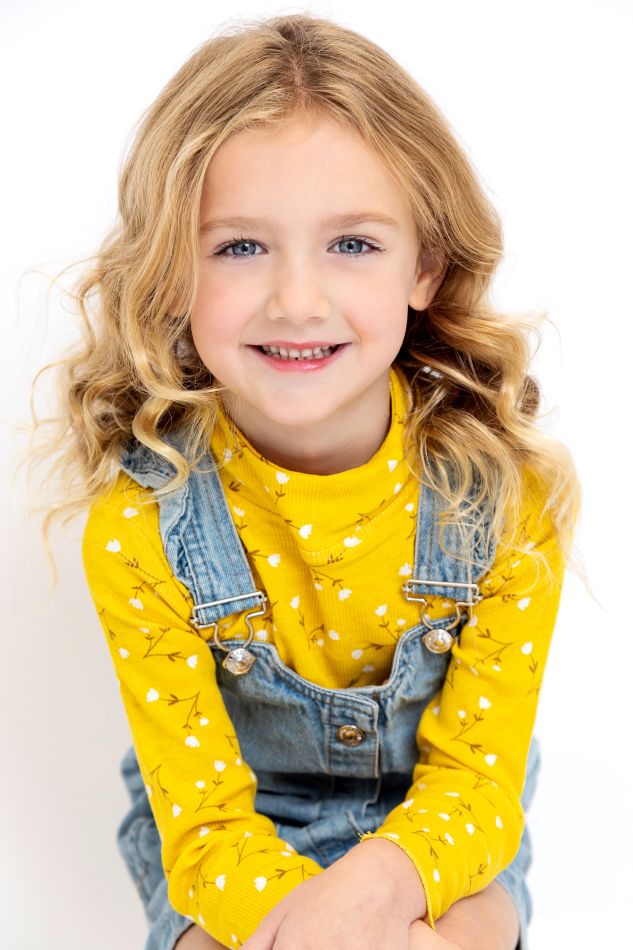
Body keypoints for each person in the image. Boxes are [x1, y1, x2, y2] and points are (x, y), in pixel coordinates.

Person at [36, 12, 579, 950]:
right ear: (171, 271)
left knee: (470, 932)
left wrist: (377, 892)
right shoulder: (143, 522)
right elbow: (205, 827)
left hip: (436, 825)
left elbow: (475, 783)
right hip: (233, 838)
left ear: (425, 264)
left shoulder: (498, 498)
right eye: (239, 247)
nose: (296, 300)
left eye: (352, 244)